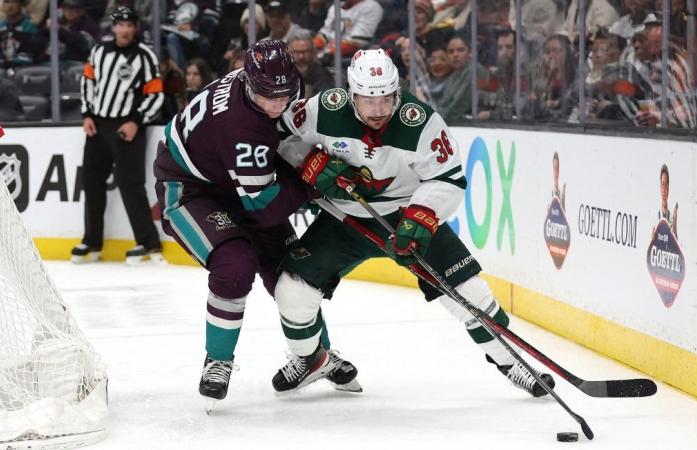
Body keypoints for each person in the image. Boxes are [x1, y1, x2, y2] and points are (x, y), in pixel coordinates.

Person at [270, 49, 555, 397]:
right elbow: (280, 136)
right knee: (291, 290)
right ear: (350, 93)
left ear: (397, 90)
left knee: (470, 292)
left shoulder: (420, 121)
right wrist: (307, 161)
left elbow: (447, 178)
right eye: (367, 100)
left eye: (386, 99)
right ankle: (310, 359)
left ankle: (514, 363)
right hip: (344, 218)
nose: (377, 110)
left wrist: (420, 216)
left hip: (405, 216)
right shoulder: (323, 109)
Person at [152, 40, 360, 408]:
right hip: (191, 189)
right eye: (268, 95)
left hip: (236, 178)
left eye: (284, 92)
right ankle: (218, 360)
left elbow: (283, 141)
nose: (278, 103)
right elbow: (264, 209)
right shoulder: (240, 126)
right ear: (248, 83)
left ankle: (314, 356)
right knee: (235, 263)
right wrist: (312, 184)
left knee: (291, 274)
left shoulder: (274, 89)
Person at [73, 6, 163, 264]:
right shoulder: (99, 51)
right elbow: (87, 83)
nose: (123, 30)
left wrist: (136, 121)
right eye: (119, 25)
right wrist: (87, 114)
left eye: (128, 25)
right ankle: (92, 242)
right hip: (98, 125)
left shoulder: (145, 56)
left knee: (130, 184)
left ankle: (148, 242)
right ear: (113, 27)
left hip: (127, 127)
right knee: (91, 182)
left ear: (135, 27)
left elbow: (155, 94)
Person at [288, 28, 333, 98]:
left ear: (313, 53)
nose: (301, 57)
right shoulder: (282, 74)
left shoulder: (323, 76)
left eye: (305, 52)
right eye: (296, 52)